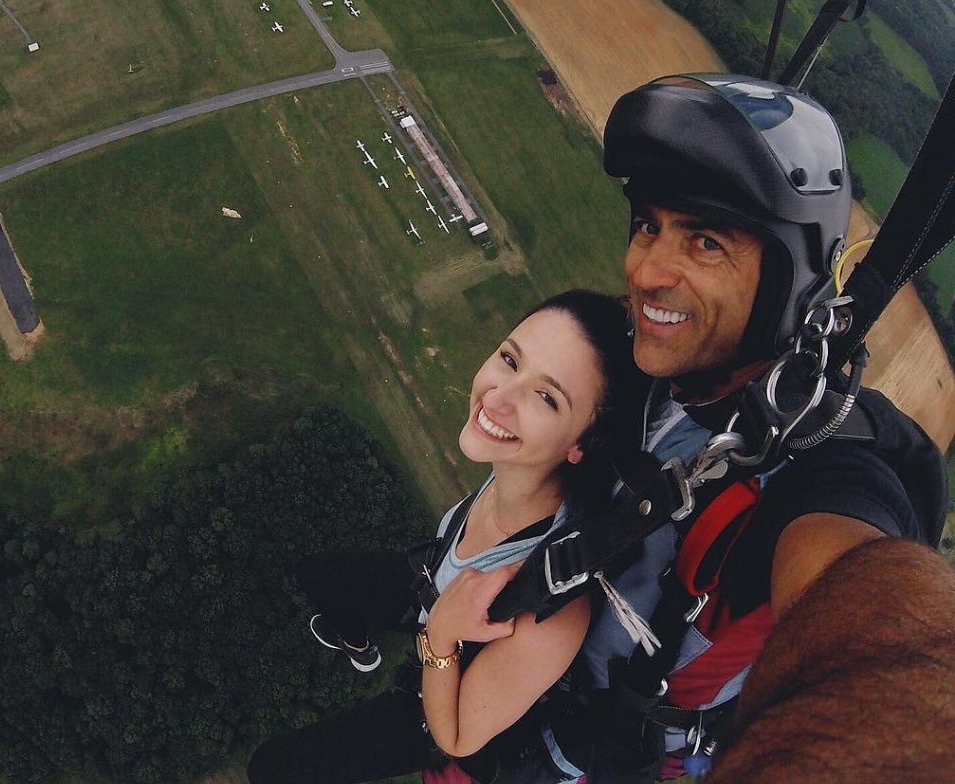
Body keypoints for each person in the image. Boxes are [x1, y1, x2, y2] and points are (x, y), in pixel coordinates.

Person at [459, 73, 951, 783]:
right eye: (648, 225)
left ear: (786, 282)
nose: (646, 269)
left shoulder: (827, 469)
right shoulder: (648, 364)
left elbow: (881, 630)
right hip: (509, 690)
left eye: (707, 242)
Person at [246, 289, 649, 784]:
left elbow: (457, 738)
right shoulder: (516, 471)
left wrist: (440, 635)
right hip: (430, 586)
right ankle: (360, 645)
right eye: (509, 359)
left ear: (582, 443)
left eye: (546, 397)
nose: (497, 398)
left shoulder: (551, 607)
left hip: (434, 697)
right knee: (315, 574)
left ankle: (383, 651)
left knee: (271, 768)